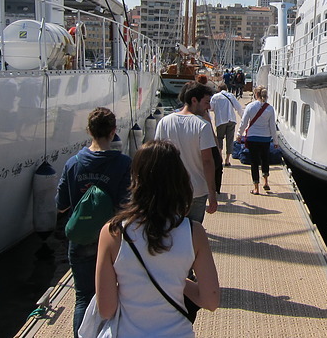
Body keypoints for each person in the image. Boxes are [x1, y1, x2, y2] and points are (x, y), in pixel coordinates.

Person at [95, 140, 220, 337]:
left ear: (135, 179)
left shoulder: (113, 232)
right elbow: (211, 301)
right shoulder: (194, 233)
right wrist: (175, 279)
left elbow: (106, 309)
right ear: (179, 179)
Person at [56, 107, 131, 338]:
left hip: (81, 239)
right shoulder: (124, 163)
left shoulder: (73, 163)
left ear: (89, 130)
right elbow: (126, 205)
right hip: (113, 240)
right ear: (113, 132)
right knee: (116, 296)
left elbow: (61, 204)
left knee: (83, 297)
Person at [155, 83, 218, 222]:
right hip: (197, 190)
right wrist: (212, 194)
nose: (209, 107)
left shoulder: (164, 122)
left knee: (170, 233)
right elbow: (207, 161)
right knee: (193, 233)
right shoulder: (203, 125)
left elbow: (157, 157)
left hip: (170, 190)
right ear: (194, 100)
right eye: (206, 102)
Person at [237, 85, 277, 195]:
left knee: (254, 162)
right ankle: (266, 182)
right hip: (265, 138)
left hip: (253, 138)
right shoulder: (270, 108)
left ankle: (256, 188)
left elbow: (243, 123)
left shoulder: (250, 106)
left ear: (256, 94)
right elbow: (272, 126)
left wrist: (239, 135)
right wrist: (276, 142)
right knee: (265, 160)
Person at [210, 82, 243, 167]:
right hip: (231, 120)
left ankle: (220, 157)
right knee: (230, 140)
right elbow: (238, 107)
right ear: (226, 89)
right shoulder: (231, 96)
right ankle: (227, 160)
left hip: (220, 120)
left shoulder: (215, 97)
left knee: (219, 138)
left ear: (219, 89)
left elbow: (211, 108)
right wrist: (243, 118)